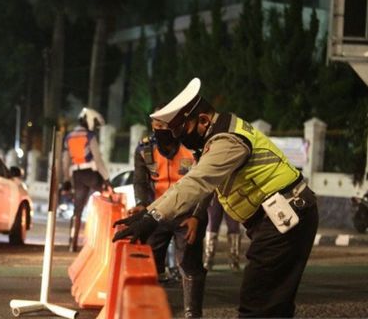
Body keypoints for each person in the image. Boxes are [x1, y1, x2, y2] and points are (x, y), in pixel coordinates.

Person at [113, 78, 318, 317]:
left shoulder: (227, 140)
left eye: (182, 130)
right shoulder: (217, 136)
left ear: (202, 120)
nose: (180, 138)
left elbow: (196, 182)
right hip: (280, 216)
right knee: (273, 305)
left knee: (258, 305)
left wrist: (152, 216)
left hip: (285, 216)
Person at [130, 110, 208, 317]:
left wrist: (197, 217)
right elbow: (140, 181)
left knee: (189, 266)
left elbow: (207, 185)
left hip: (188, 214)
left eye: (166, 126)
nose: (162, 130)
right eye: (158, 126)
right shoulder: (145, 149)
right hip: (158, 212)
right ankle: (153, 311)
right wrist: (141, 205)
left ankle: (193, 314)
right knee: (150, 265)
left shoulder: (194, 147)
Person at [62, 107, 111, 252]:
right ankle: (105, 239)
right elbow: (98, 160)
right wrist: (107, 180)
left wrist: (66, 179)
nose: (94, 127)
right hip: (91, 174)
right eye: (94, 123)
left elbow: (65, 161)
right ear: (89, 120)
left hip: (77, 176)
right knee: (107, 201)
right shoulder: (89, 136)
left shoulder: (69, 136)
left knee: (77, 210)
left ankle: (73, 243)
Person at [204, 193, 242, 271]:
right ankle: (209, 257)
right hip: (214, 193)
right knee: (212, 225)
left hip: (231, 193)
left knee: (234, 226)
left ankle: (234, 259)